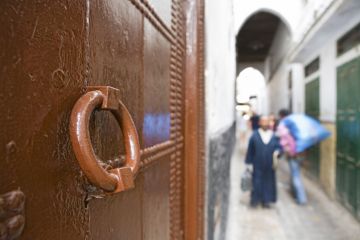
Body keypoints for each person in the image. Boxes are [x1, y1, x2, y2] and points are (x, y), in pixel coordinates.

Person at [245, 116, 281, 208]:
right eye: (263, 122)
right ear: (260, 123)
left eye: (266, 122)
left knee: (268, 182)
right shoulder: (255, 135)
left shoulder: (273, 135)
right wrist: (248, 163)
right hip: (257, 163)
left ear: (269, 123)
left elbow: (278, 147)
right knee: (256, 182)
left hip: (270, 164)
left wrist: (278, 152)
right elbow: (250, 150)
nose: (265, 124)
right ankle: (255, 200)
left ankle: (266, 200)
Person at [277, 109, 307, 205]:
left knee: (295, 175)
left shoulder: (285, 125)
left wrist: (288, 150)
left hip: (293, 153)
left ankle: (301, 198)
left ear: (281, 115)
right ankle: (294, 192)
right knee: (296, 172)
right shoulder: (296, 122)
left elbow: (286, 140)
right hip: (301, 152)